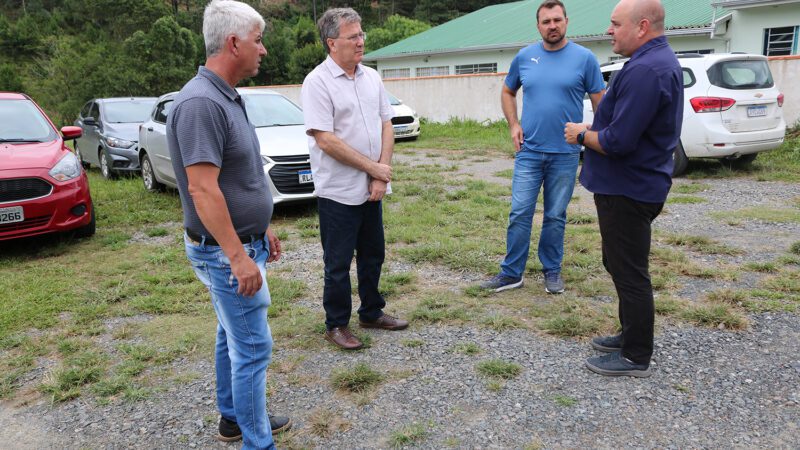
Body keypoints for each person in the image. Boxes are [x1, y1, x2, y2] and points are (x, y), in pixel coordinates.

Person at [167, 1, 291, 447]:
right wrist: (237, 256)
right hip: (225, 251)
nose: (263, 50)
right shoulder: (201, 103)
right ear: (234, 42)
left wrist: (263, 226)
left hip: (242, 241)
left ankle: (233, 418)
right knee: (253, 349)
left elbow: (240, 174)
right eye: (258, 40)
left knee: (230, 332)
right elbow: (202, 190)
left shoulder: (225, 95)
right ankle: (258, 442)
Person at [565, 0, 683, 378]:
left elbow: (619, 140)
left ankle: (635, 355)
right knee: (618, 263)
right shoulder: (654, 61)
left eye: (616, 24)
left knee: (630, 272)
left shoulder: (647, 70)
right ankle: (629, 334)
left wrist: (581, 133)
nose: (609, 31)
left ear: (643, 26)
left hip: (629, 188)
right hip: (634, 184)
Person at [301, 7, 409, 351]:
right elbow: (325, 139)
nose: (361, 41)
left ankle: (372, 311)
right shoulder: (317, 82)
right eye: (353, 36)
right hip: (338, 191)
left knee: (373, 253)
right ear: (332, 43)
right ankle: (336, 324)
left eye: (361, 34)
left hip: (372, 186)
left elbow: (386, 124)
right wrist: (372, 168)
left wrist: (381, 172)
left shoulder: (371, 77)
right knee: (337, 262)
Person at [480, 0, 605, 294]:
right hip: (530, 151)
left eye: (557, 20)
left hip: (565, 153)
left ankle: (552, 270)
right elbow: (508, 91)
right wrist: (513, 124)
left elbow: (602, 103)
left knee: (555, 215)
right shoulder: (525, 57)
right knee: (520, 212)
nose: (553, 26)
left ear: (566, 22)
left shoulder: (584, 58)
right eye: (546, 21)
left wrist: (596, 135)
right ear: (538, 26)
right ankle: (511, 274)